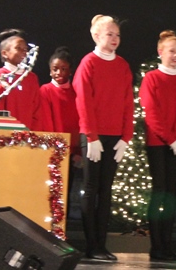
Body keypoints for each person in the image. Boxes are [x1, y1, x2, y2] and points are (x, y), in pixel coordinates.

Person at [72, 14, 134, 261]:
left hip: (115, 136)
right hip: (95, 137)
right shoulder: (88, 63)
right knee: (91, 188)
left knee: (106, 191)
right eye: (110, 34)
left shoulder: (123, 66)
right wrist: (91, 135)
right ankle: (92, 245)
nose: (115, 38)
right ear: (96, 36)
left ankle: (102, 245)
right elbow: (83, 100)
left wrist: (126, 137)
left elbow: (128, 102)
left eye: (117, 34)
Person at [139, 30, 176, 261]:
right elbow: (151, 115)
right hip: (158, 144)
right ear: (161, 52)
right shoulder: (151, 78)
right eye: (172, 51)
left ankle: (168, 245)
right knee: (159, 192)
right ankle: (156, 246)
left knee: (171, 195)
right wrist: (171, 139)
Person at [39, 46, 81, 202]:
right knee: (50, 193)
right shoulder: (45, 90)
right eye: (55, 69)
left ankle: (62, 227)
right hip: (53, 151)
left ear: (70, 71)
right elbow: (46, 121)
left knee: (66, 194)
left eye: (63, 69)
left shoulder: (76, 93)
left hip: (71, 153)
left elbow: (78, 123)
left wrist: (78, 152)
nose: (59, 73)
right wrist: (53, 148)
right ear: (50, 70)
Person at [0, 29, 42, 130]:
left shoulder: (32, 78)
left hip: (27, 135)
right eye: (18, 48)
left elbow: (37, 110)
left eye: (25, 49)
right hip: (4, 133)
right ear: (4, 53)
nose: (23, 52)